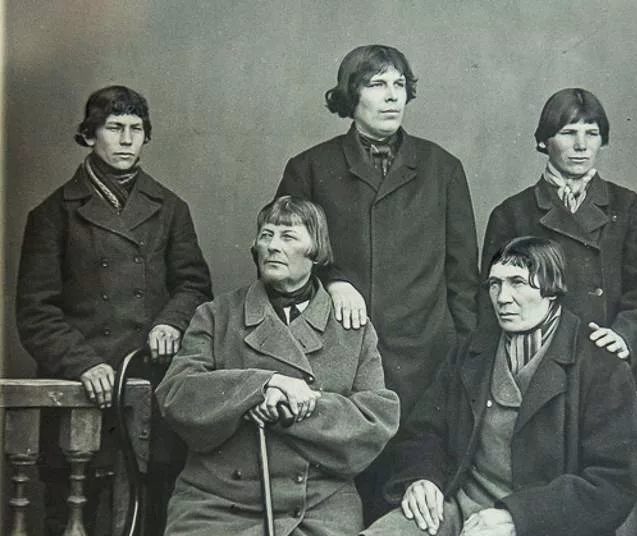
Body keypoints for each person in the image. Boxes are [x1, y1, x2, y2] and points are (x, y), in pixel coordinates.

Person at [276, 45, 479, 521]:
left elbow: (463, 277)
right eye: (376, 84)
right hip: (338, 358)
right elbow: (279, 256)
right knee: (338, 494)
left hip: (425, 357)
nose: (392, 97)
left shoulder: (443, 168)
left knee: (411, 490)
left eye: (399, 85)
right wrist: (332, 279)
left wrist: (468, 355)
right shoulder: (309, 168)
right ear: (352, 95)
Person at [16, 85, 213, 535]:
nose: (126, 140)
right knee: (70, 514)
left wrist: (171, 322)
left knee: (151, 511)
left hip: (151, 384)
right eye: (114, 127)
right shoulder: (52, 214)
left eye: (136, 129)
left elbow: (195, 286)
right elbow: (35, 312)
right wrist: (83, 364)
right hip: (80, 390)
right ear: (90, 135)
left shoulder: (171, 208)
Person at [363, 236, 637, 536]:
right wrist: (421, 478)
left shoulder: (600, 365)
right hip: (455, 508)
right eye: (495, 284)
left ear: (552, 289)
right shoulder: (471, 351)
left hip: (542, 526)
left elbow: (614, 481)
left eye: (517, 283)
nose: (502, 297)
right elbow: (425, 431)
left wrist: (518, 518)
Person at [156, 195, 400, 536]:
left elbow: (375, 421)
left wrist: (293, 408)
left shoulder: (351, 328)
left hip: (318, 506)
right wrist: (259, 387)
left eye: (288, 236)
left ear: (316, 251)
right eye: (266, 235)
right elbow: (175, 395)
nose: (272, 246)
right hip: (218, 503)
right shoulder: (216, 315)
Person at [481, 87, 637, 391]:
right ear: (544, 141)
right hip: (535, 367)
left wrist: (626, 336)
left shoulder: (629, 207)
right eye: (568, 132)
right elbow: (491, 298)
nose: (581, 145)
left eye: (592, 133)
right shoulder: (512, 213)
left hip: (608, 367)